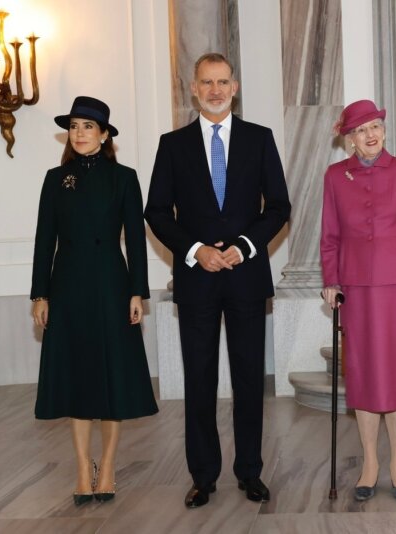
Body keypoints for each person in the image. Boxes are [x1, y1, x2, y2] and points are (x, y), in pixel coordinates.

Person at [145, 53, 290, 508]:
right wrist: (196, 252)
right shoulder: (173, 145)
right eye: (206, 82)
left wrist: (245, 246)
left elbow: (279, 207)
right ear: (193, 88)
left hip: (246, 278)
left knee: (249, 381)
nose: (215, 90)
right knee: (200, 381)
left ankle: (250, 472)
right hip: (197, 281)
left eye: (222, 82)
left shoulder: (260, 139)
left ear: (235, 86)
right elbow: (156, 212)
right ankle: (203, 476)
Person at [31, 96, 158, 506]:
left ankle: (108, 465)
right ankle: (83, 468)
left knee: (112, 379)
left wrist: (137, 290)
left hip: (111, 285)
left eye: (88, 127)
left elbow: (136, 242)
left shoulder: (124, 178)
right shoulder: (55, 178)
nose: (80, 133)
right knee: (77, 378)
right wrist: (40, 293)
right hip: (67, 287)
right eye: (74, 127)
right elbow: (43, 239)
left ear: (104, 136)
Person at [320, 100, 396, 502]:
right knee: (364, 373)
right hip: (357, 289)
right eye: (362, 130)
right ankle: (370, 462)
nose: (371, 135)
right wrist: (330, 280)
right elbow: (330, 235)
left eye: (376, 127)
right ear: (350, 138)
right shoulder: (335, 176)